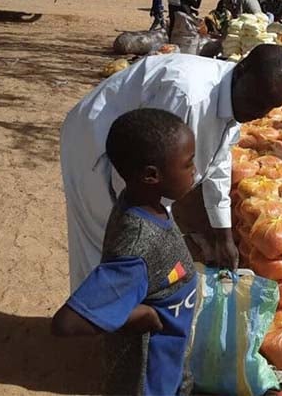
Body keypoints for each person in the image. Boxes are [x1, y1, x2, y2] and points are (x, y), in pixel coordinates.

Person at [60, 44, 282, 292]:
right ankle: (93, 321)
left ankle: (114, 315)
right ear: (242, 69)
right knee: (106, 247)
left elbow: (219, 160)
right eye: (256, 102)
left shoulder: (237, 97)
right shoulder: (189, 98)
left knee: (135, 256)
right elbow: (145, 177)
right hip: (96, 144)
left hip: (138, 159)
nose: (257, 113)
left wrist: (223, 235)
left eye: (267, 109)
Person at [52, 108, 198, 395]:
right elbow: (67, 322)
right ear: (151, 176)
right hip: (145, 383)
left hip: (168, 369)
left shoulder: (149, 207)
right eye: (188, 163)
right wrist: (143, 315)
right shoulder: (137, 247)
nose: (195, 169)